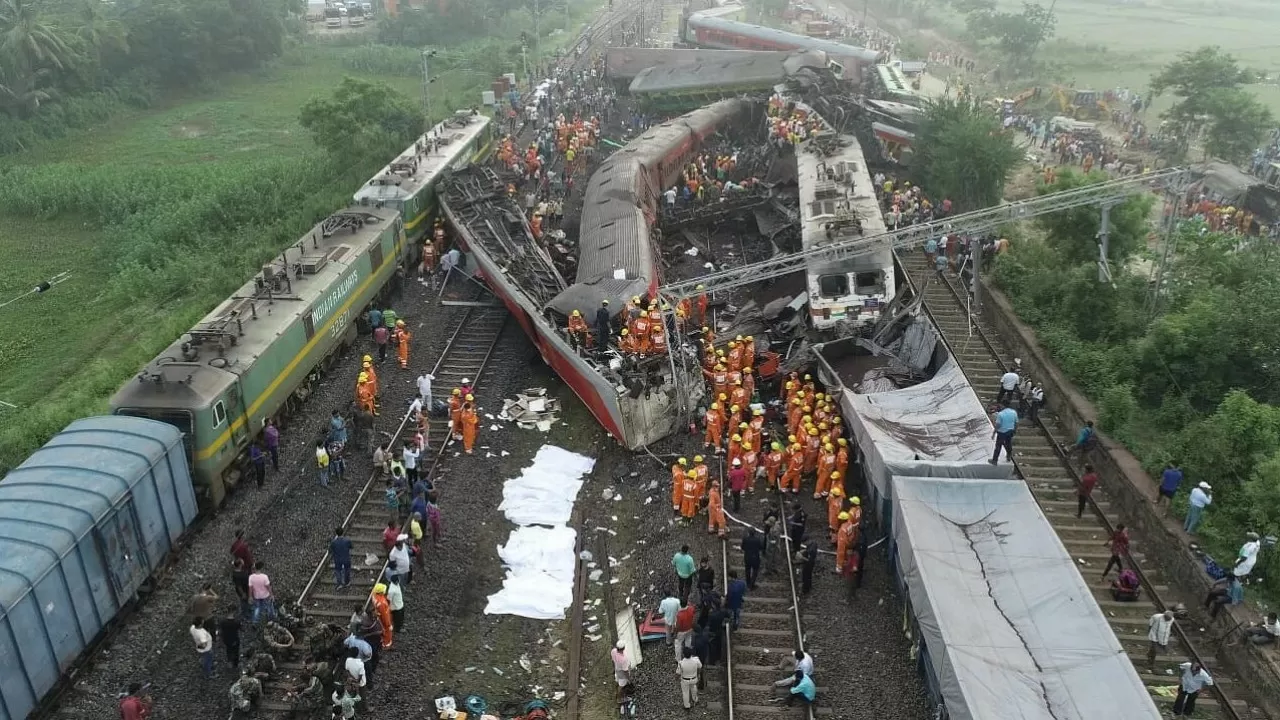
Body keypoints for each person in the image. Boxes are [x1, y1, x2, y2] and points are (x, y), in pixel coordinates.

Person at [371, 583, 394, 649]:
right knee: (387, 630)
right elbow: (385, 616)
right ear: (381, 592)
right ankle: (386, 643)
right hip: (383, 618)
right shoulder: (382, 603)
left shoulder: (374, 595)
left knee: (382, 628)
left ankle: (382, 639)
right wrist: (389, 624)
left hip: (378, 615)